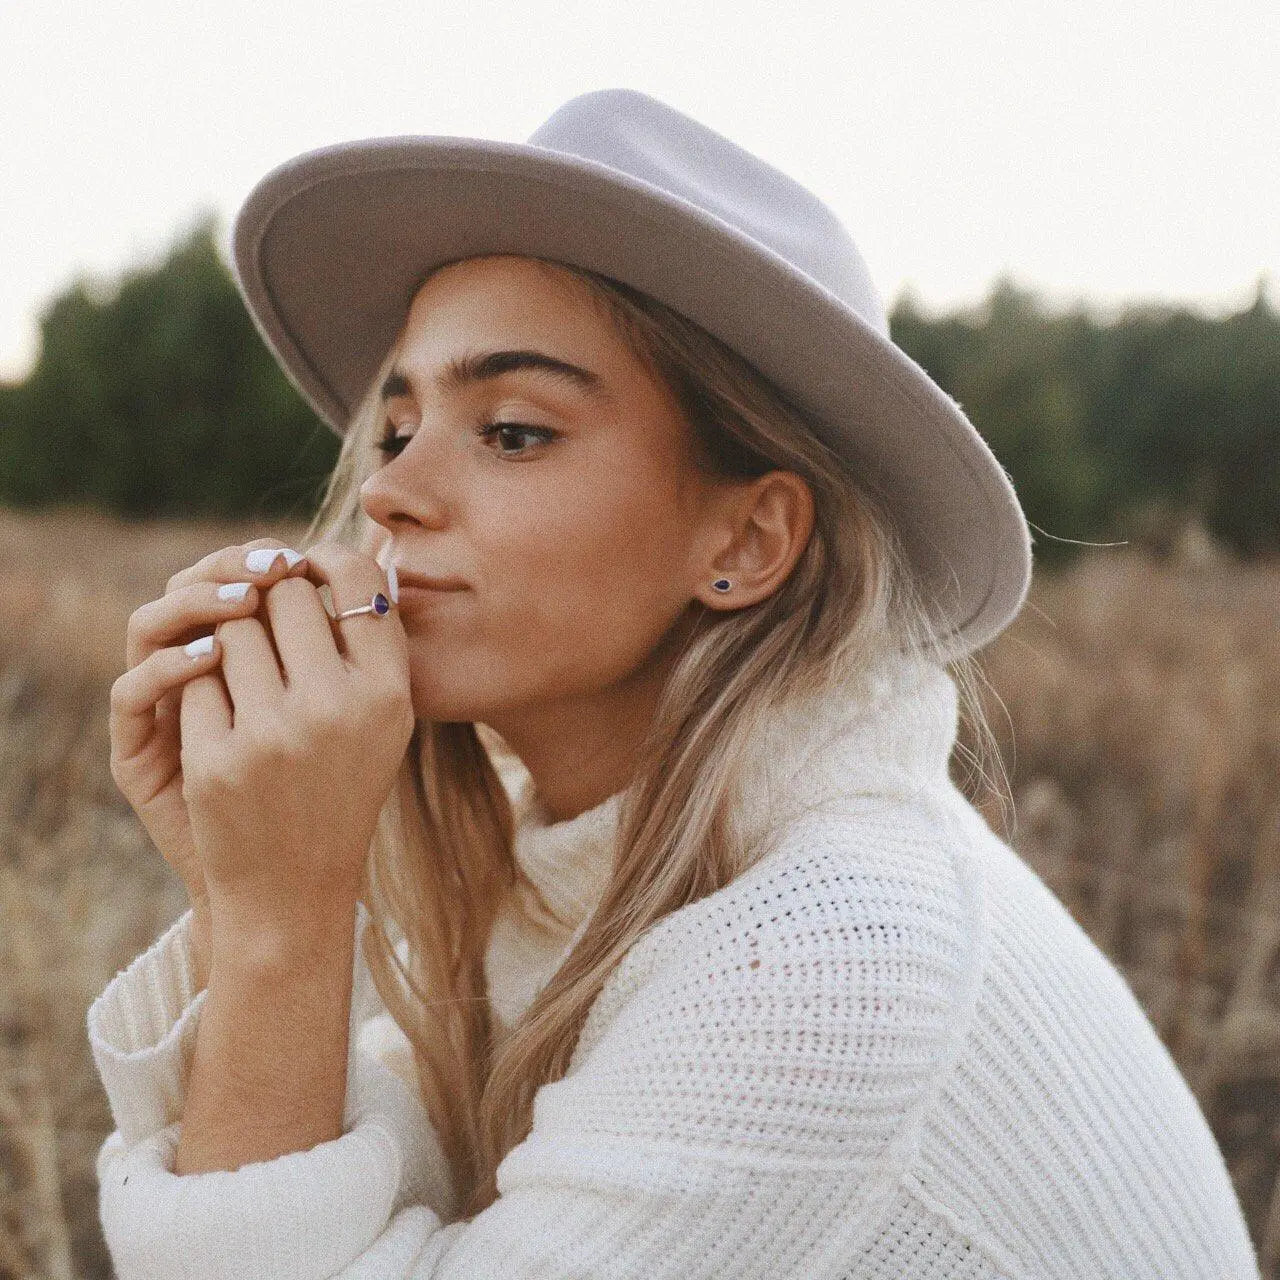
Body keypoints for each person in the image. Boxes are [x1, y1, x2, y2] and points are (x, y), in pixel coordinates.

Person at [87, 89, 1260, 1279]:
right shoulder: (584, 867)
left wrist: (286, 923)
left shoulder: (828, 958)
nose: (391, 492)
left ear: (746, 542)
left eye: (512, 431)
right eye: (396, 430)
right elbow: (391, 1213)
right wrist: (250, 902)